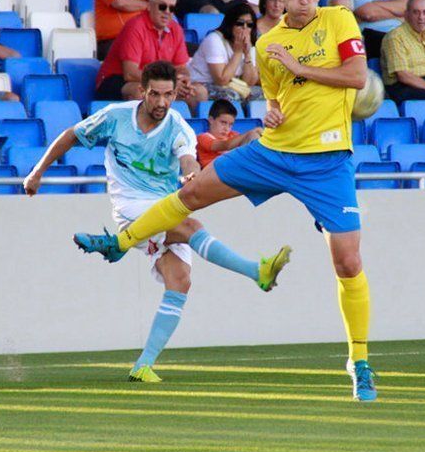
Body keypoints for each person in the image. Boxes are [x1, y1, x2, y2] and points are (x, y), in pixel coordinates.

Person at [74, 0, 379, 402]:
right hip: (275, 151)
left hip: (328, 161)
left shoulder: (338, 20)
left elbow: (355, 77)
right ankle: (120, 244)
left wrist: (299, 66)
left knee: (348, 263)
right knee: (192, 192)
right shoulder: (270, 42)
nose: (306, 0)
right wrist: (272, 112)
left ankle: (360, 362)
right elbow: (277, 100)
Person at [24, 61, 290, 383]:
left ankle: (143, 366)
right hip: (130, 208)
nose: (162, 102)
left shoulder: (178, 127)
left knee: (180, 280)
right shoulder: (115, 118)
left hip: (164, 205)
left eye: (168, 95)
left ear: (176, 93)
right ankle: (256, 271)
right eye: (155, 95)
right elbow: (70, 136)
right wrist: (37, 172)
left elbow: (187, 157)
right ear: (142, 92)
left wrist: (191, 173)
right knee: (192, 228)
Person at [94, 0, 205, 108]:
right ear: (150, 6)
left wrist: (183, 79)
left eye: (171, 8)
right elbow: (130, 74)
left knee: (198, 93)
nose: (167, 12)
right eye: (162, 7)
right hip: (117, 81)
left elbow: (181, 67)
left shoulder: (176, 29)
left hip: (158, 82)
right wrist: (169, 84)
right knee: (141, 92)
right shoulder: (135, 27)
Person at [189, 2, 263, 103]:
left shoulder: (250, 43)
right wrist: (237, 52)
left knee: (262, 95)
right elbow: (221, 80)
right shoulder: (214, 40)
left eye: (249, 25)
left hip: (233, 84)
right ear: (230, 24)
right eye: (240, 23)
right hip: (203, 84)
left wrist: (247, 55)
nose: (244, 28)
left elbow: (249, 82)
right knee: (231, 96)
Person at [196, 99, 262, 168]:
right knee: (252, 135)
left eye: (230, 124)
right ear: (211, 120)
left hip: (234, 169)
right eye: (223, 123)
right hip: (214, 172)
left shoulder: (233, 135)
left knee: (254, 137)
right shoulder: (203, 138)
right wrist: (252, 131)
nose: (226, 128)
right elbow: (226, 145)